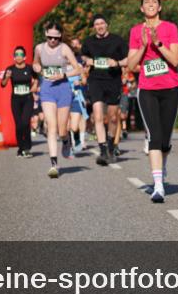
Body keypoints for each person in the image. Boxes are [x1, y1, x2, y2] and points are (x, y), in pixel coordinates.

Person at [125, 0, 178, 203]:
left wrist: (158, 43)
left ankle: (161, 167)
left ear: (159, 7)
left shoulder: (170, 28)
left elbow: (175, 60)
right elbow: (131, 66)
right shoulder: (135, 31)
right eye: (146, 2)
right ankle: (158, 186)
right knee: (154, 136)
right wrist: (142, 47)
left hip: (170, 89)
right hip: (147, 89)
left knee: (165, 140)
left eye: (153, 2)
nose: (150, 5)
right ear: (141, 8)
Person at [32, 21, 82, 178]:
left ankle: (66, 140)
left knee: (62, 130)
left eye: (55, 37)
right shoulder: (39, 48)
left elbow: (78, 68)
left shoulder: (64, 48)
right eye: (50, 37)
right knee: (51, 127)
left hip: (63, 89)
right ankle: (54, 164)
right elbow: (35, 62)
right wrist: (37, 68)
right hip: (47, 89)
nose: (52, 40)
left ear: (60, 36)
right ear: (46, 34)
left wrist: (64, 75)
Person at [80, 14, 128, 166]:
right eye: (96, 24)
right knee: (98, 116)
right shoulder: (88, 42)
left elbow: (129, 59)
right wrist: (86, 60)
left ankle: (111, 147)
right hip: (95, 81)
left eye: (102, 23)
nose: (99, 26)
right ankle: (102, 150)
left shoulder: (118, 40)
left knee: (113, 118)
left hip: (113, 81)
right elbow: (83, 57)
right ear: (94, 27)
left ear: (107, 25)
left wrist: (117, 63)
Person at [0, 45, 38, 157]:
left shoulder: (29, 68)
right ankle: (21, 148)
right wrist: (7, 77)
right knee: (19, 125)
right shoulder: (10, 69)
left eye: (21, 54)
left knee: (26, 122)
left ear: (25, 57)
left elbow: (36, 78)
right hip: (16, 100)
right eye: (16, 54)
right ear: (14, 57)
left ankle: (27, 148)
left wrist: (35, 85)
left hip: (27, 99)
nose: (18, 56)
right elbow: (2, 84)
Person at [66, 37, 89, 153]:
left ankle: (78, 138)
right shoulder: (62, 67)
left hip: (76, 97)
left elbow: (84, 81)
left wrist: (78, 82)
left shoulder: (79, 66)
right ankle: (71, 142)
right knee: (67, 125)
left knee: (74, 125)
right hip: (64, 98)